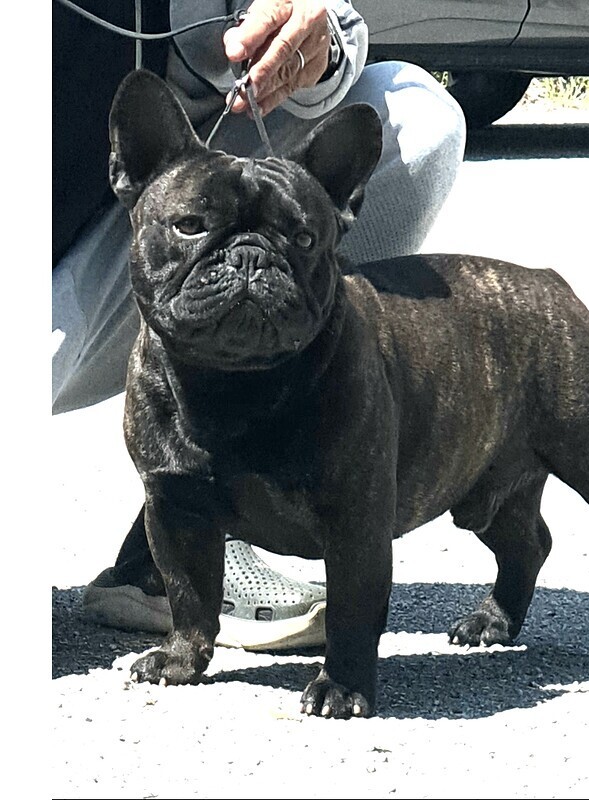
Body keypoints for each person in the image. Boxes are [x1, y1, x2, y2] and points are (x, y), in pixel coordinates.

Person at [52, 0, 466, 650]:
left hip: (160, 198)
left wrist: (318, 39)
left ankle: (203, 525)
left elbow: (334, 25)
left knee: (417, 118)